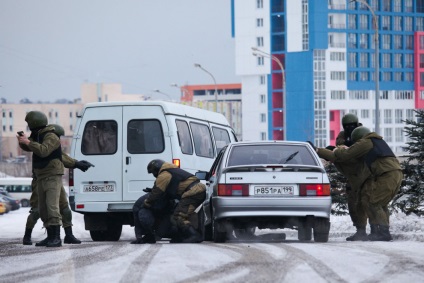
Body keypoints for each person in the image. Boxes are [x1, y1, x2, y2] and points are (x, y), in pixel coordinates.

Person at [22, 124, 94, 246]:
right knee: (39, 209)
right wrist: (26, 141)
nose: (57, 139)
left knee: (63, 207)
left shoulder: (49, 142)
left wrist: (76, 164)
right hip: (40, 178)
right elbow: (39, 150)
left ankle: (66, 235)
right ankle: (28, 236)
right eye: (57, 136)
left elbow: (61, 157)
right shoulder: (39, 141)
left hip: (53, 177)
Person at [333, 126, 403, 241]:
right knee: (381, 203)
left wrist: (337, 150)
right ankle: (381, 232)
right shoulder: (378, 141)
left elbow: (347, 154)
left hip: (386, 173)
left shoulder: (366, 142)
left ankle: (384, 233)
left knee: (374, 203)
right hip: (395, 172)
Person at [17, 111, 64, 247]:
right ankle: (50, 236)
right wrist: (23, 142)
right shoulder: (37, 135)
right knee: (43, 208)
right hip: (41, 175)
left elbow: (43, 150)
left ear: (34, 122)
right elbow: (30, 147)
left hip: (52, 174)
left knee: (51, 206)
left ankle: (56, 238)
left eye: (29, 123)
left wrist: (28, 142)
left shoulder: (51, 136)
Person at [143, 159, 206, 243]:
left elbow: (157, 192)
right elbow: (170, 187)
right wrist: (152, 190)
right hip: (196, 191)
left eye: (153, 172)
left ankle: (194, 235)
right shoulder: (172, 170)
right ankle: (183, 236)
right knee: (177, 214)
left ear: (156, 169)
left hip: (192, 192)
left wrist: (147, 202)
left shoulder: (164, 174)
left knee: (178, 216)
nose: (154, 175)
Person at [328, 113, 369, 241]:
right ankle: (360, 230)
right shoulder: (343, 135)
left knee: (369, 202)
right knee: (353, 203)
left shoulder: (363, 132)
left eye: (352, 126)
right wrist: (347, 143)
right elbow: (340, 147)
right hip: (352, 173)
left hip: (365, 171)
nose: (349, 128)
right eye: (347, 126)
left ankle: (376, 229)